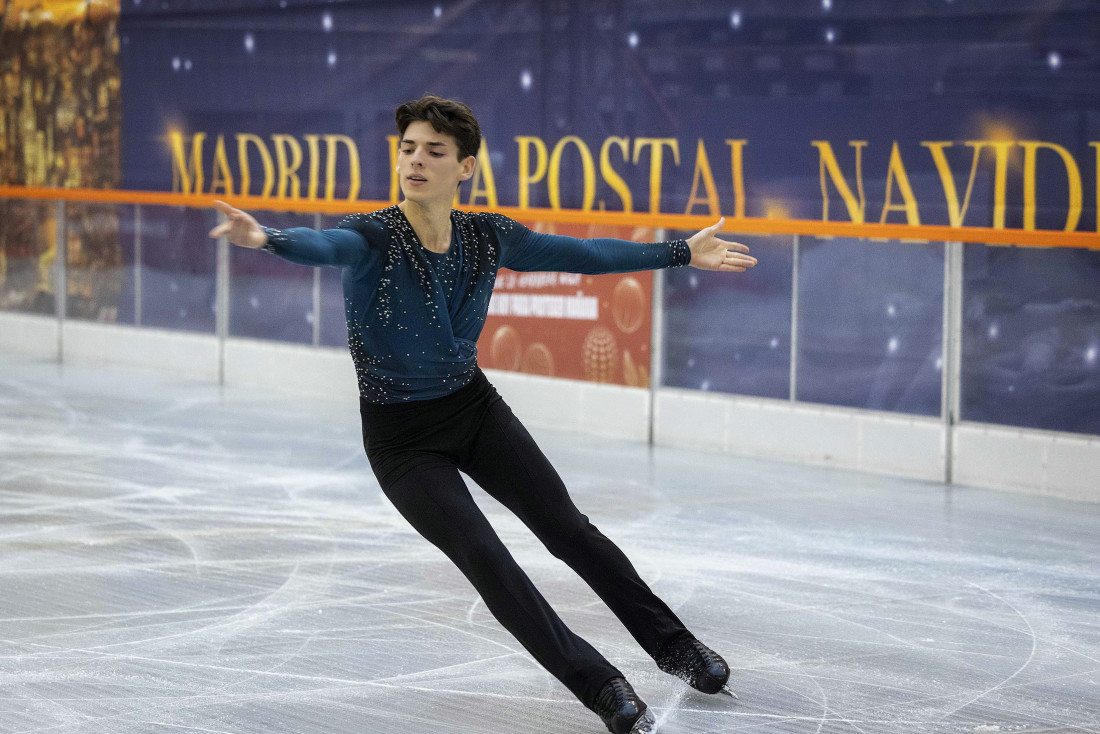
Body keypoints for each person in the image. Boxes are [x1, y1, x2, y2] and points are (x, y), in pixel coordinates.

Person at [209, 95, 757, 734]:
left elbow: (582, 255)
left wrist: (680, 253)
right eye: (408, 148)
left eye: (434, 151)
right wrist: (267, 238)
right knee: (487, 559)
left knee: (569, 530)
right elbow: (324, 244)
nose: (416, 160)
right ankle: (600, 685)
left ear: (464, 167)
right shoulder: (372, 236)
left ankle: (675, 647)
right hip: (402, 442)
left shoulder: (486, 235)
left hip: (473, 410)